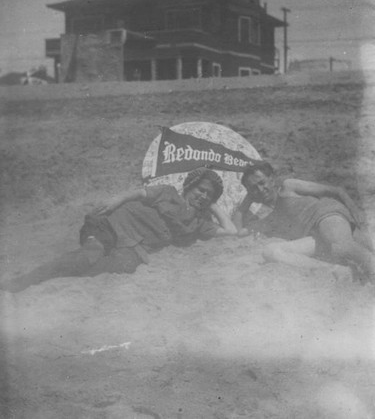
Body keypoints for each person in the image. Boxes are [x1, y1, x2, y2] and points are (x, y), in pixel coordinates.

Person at [3, 168, 237, 292]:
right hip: (112, 224)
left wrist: (214, 205)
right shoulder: (168, 193)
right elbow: (139, 193)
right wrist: (115, 200)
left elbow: (231, 231)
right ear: (189, 186)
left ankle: (56, 280)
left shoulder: (199, 223)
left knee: (119, 266)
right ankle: (23, 282)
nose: (203, 196)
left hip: (135, 248)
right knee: (91, 254)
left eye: (210, 195)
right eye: (201, 190)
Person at [233, 160, 375, 283]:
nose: (260, 189)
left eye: (262, 183)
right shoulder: (270, 219)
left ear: (272, 179)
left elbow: (336, 191)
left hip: (327, 217)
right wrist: (248, 199)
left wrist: (355, 211)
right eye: (254, 189)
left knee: (341, 246)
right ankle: (338, 271)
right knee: (271, 251)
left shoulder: (288, 187)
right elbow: (239, 232)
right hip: (317, 237)